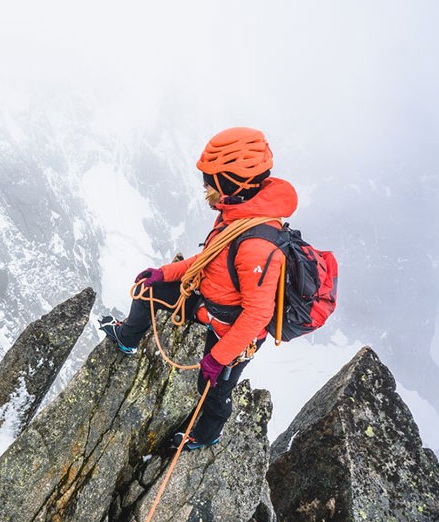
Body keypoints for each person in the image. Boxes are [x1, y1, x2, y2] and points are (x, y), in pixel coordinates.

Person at [99, 127, 298, 451]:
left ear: (234, 184)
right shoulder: (237, 217)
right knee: (147, 292)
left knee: (213, 387)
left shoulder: (258, 245)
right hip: (208, 299)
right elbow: (209, 256)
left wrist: (218, 358)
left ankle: (206, 434)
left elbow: (258, 315)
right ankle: (127, 339)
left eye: (212, 181)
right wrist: (164, 274)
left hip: (231, 327)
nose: (206, 188)